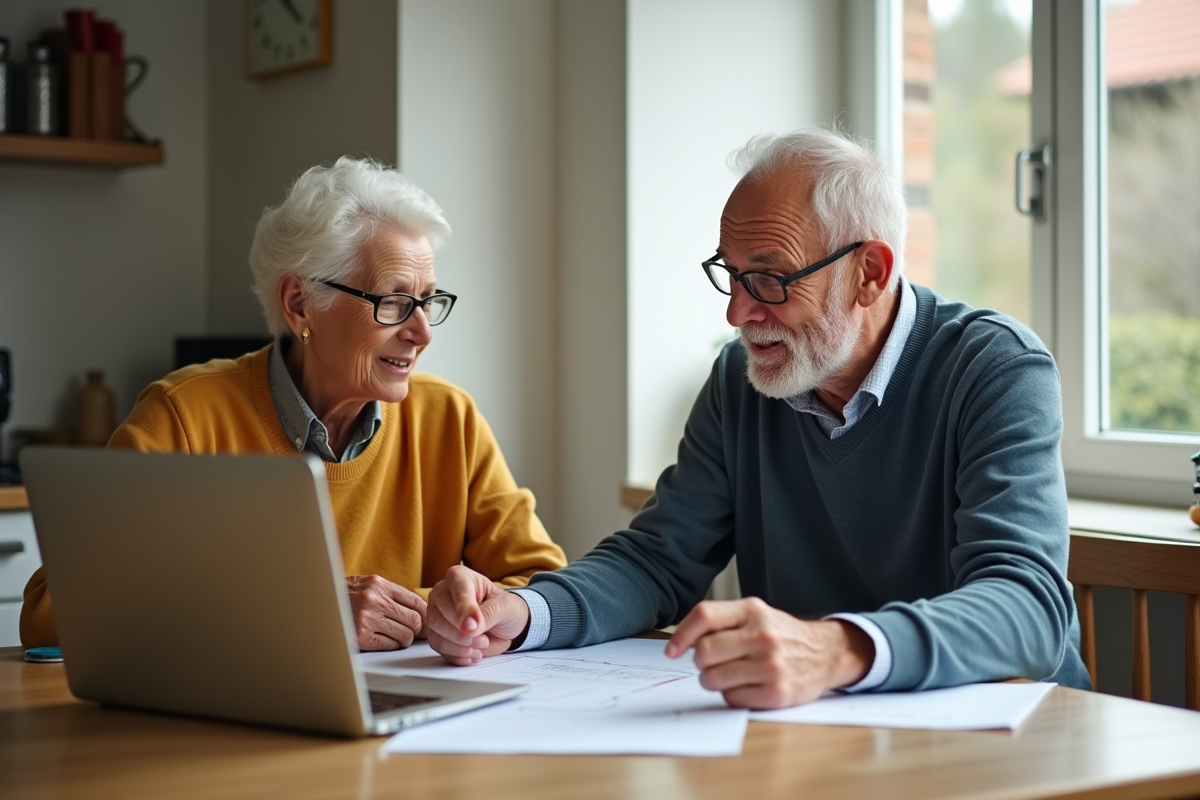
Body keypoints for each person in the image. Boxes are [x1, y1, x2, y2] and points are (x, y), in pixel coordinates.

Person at [425, 128, 1090, 709]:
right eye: (731, 275)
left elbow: (1027, 609)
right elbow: (660, 561)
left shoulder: (995, 369)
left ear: (870, 273)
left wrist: (836, 649)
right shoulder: (739, 381)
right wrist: (524, 611)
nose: (738, 315)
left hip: (1014, 737)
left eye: (769, 280)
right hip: (827, 730)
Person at [21, 157, 567, 651]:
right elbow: (51, 616)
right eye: (396, 302)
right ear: (300, 303)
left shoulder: (450, 419)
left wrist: (436, 614)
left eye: (428, 302)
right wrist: (309, 611)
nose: (422, 333)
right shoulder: (185, 418)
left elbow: (544, 583)